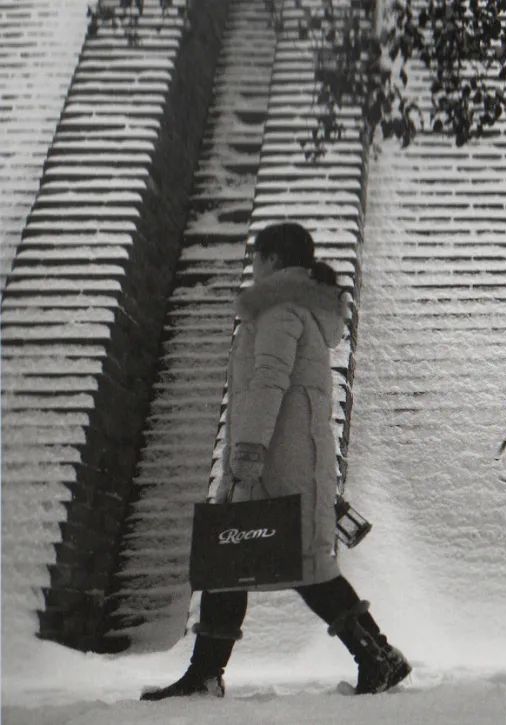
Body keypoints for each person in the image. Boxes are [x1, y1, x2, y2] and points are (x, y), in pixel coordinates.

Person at [142, 221, 409, 700]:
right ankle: (205, 673)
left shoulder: (281, 309)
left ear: (275, 260)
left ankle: (379, 656)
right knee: (230, 558)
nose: (253, 265)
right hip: (283, 456)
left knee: (304, 566)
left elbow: (268, 381)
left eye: (257, 257)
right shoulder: (290, 309)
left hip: (279, 460)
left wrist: (247, 451)